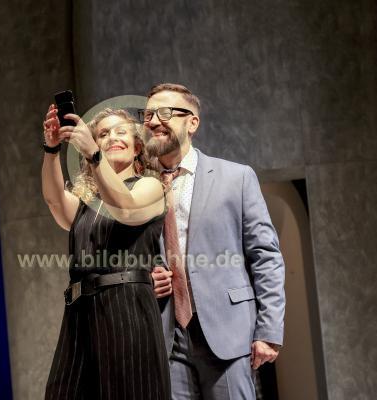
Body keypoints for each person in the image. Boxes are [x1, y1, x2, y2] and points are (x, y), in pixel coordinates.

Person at [146, 83, 286, 400]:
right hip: (166, 335)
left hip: (228, 331)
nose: (153, 121)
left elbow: (266, 256)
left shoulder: (236, 178)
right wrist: (146, 277)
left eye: (164, 113)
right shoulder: (137, 187)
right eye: (148, 114)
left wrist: (269, 330)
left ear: (192, 122)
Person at [41, 106, 171, 399]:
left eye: (121, 132)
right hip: (80, 312)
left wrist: (93, 153)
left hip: (127, 308)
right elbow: (55, 202)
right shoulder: (88, 204)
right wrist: (51, 149)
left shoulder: (149, 186)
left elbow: (126, 209)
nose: (112, 137)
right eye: (102, 134)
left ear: (137, 148)